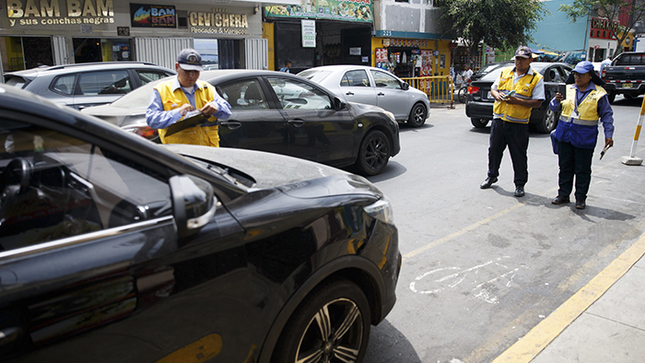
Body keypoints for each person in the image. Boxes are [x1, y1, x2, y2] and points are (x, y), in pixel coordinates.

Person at [480, 46, 546, 197]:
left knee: (518, 155)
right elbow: (493, 88)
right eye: (517, 58)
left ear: (530, 60)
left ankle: (520, 184)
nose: (519, 62)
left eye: (523, 59)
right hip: (499, 119)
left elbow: (538, 102)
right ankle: (492, 175)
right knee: (494, 151)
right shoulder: (505, 72)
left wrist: (517, 101)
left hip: (518, 123)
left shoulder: (536, 78)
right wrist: (496, 95)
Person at [549, 61, 614, 209]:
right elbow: (553, 107)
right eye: (576, 74)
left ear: (590, 76)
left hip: (585, 138)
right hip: (565, 136)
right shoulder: (568, 89)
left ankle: (580, 198)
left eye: (581, 75)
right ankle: (563, 194)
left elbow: (607, 116)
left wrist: (608, 134)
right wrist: (556, 100)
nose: (578, 78)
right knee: (565, 167)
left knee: (582, 170)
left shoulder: (599, 94)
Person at [146, 48, 231, 146]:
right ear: (177, 67)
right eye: (187, 71)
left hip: (208, 152)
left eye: (196, 71)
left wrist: (216, 106)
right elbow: (152, 120)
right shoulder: (162, 90)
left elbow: (227, 112)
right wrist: (178, 113)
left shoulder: (207, 88)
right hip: (180, 154)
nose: (191, 75)